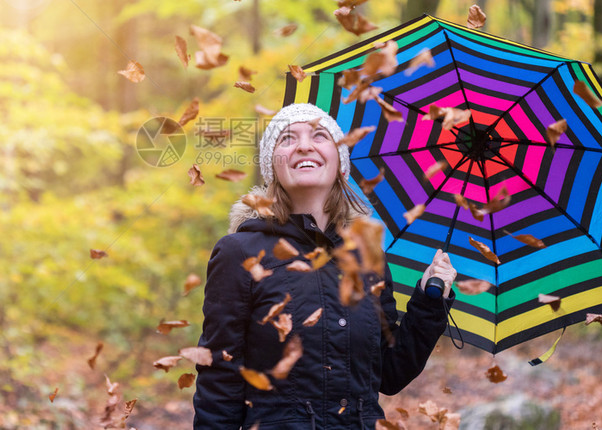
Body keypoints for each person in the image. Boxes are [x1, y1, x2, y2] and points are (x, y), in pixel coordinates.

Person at [193, 103, 457, 429]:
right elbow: (220, 377)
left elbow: (389, 374)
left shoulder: (367, 256)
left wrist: (429, 302)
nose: (304, 145)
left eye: (319, 135)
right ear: (272, 167)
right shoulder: (240, 252)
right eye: (288, 138)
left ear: (341, 166)